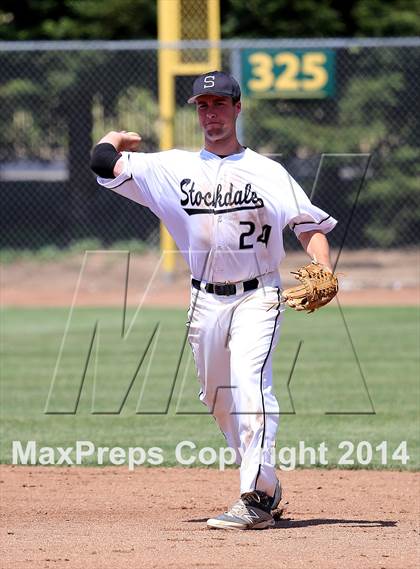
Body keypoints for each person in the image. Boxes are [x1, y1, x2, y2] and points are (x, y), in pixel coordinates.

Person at [90, 71, 337, 530]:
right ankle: (266, 481)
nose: (210, 114)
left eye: (219, 104)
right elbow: (104, 162)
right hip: (204, 302)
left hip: (258, 296)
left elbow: (310, 225)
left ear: (237, 109)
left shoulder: (267, 172)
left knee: (249, 384)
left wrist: (323, 266)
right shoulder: (171, 169)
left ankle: (257, 498)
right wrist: (114, 137)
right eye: (203, 106)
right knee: (217, 397)